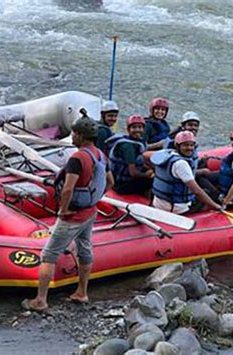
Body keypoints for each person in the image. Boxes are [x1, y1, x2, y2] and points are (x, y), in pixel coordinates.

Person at [22, 117, 114, 311]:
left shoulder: (77, 159)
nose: (72, 136)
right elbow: (110, 182)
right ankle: (82, 292)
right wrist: (94, 198)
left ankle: (40, 300)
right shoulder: (100, 155)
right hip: (90, 211)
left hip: (74, 215)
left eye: (73, 133)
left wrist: (63, 210)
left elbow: (67, 189)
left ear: (80, 135)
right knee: (84, 249)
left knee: (49, 254)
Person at [151, 131, 221, 214]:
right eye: (185, 145)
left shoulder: (166, 156)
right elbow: (197, 191)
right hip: (176, 209)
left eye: (191, 145)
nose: (189, 148)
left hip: (158, 204)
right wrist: (216, 206)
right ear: (177, 146)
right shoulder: (181, 164)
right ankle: (203, 216)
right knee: (208, 193)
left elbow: (146, 156)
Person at [107, 114, 154, 196]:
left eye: (140, 127)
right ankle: (149, 202)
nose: (137, 130)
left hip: (121, 180)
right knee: (153, 180)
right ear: (128, 129)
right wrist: (146, 175)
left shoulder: (135, 141)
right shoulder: (128, 147)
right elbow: (133, 173)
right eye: (134, 127)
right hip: (120, 185)